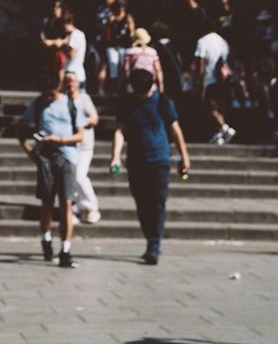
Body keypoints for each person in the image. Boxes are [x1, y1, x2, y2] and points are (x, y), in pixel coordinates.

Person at [110, 67, 192, 265]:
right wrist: (115, 157)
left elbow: (175, 128)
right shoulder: (128, 103)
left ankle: (153, 245)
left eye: (144, 92)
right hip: (136, 160)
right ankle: (150, 239)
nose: (142, 96)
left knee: (157, 202)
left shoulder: (163, 101)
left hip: (159, 159)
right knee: (141, 203)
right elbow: (120, 131)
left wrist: (184, 157)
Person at [18, 78, 84, 268]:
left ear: (58, 86)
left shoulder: (72, 104)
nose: (48, 96)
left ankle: (65, 248)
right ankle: (46, 238)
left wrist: (60, 140)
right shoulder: (38, 104)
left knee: (66, 203)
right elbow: (20, 127)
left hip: (68, 156)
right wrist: (29, 150)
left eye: (51, 92)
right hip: (45, 158)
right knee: (46, 201)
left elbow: (80, 135)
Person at [62, 70, 100, 224]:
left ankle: (92, 206)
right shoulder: (63, 99)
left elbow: (95, 119)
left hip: (84, 144)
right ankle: (75, 209)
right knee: (71, 177)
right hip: (68, 144)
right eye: (68, 81)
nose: (71, 84)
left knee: (79, 176)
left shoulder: (84, 98)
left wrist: (79, 121)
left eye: (73, 81)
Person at [195, 24, 236, 144]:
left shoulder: (202, 41)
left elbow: (201, 63)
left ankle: (224, 128)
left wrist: (198, 80)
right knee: (219, 108)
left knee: (210, 107)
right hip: (223, 79)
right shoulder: (223, 41)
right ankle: (219, 135)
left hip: (210, 80)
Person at [121, 28, 164, 93]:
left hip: (134, 82)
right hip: (150, 82)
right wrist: (161, 85)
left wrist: (121, 84)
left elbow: (125, 69)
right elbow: (158, 70)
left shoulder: (130, 51)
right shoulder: (152, 52)